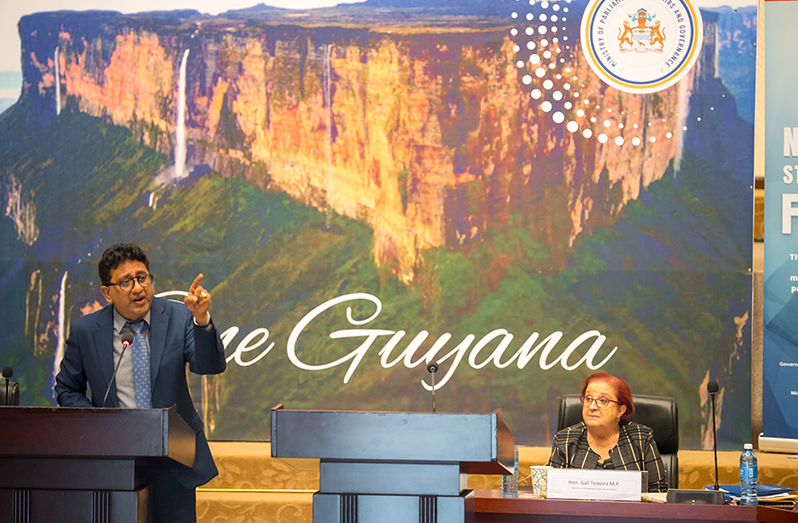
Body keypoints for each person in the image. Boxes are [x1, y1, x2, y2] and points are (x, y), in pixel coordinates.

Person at [55, 243, 227, 522]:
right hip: (116, 457)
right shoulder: (86, 331)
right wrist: (98, 423)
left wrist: (202, 319)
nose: (138, 288)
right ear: (107, 292)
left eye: (142, 278)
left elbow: (209, 366)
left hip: (174, 457)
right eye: (126, 282)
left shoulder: (179, 317)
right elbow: (66, 389)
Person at [546, 372, 668, 493]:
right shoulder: (565, 441)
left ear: (620, 410)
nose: (592, 406)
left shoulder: (641, 439)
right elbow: (552, 492)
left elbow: (658, 494)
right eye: (588, 399)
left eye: (603, 401)